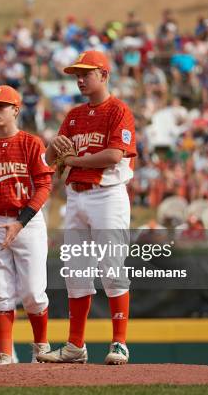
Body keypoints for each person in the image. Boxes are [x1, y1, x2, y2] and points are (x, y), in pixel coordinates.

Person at [38, 50, 137, 365]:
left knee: (112, 268)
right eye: (76, 74)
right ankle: (75, 346)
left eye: (86, 73)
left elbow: (113, 156)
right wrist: (54, 146)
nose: (79, 79)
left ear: (104, 75)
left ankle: (119, 342)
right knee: (76, 273)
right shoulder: (74, 115)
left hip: (108, 194)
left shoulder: (119, 110)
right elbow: (48, 160)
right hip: (76, 196)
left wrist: (73, 160)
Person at [0, 85, 54, 364]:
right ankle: (5, 356)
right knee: (1, 292)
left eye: (0, 107)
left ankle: (41, 348)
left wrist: (21, 222)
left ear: (16, 110)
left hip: (27, 221)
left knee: (33, 292)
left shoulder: (31, 143)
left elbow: (44, 186)